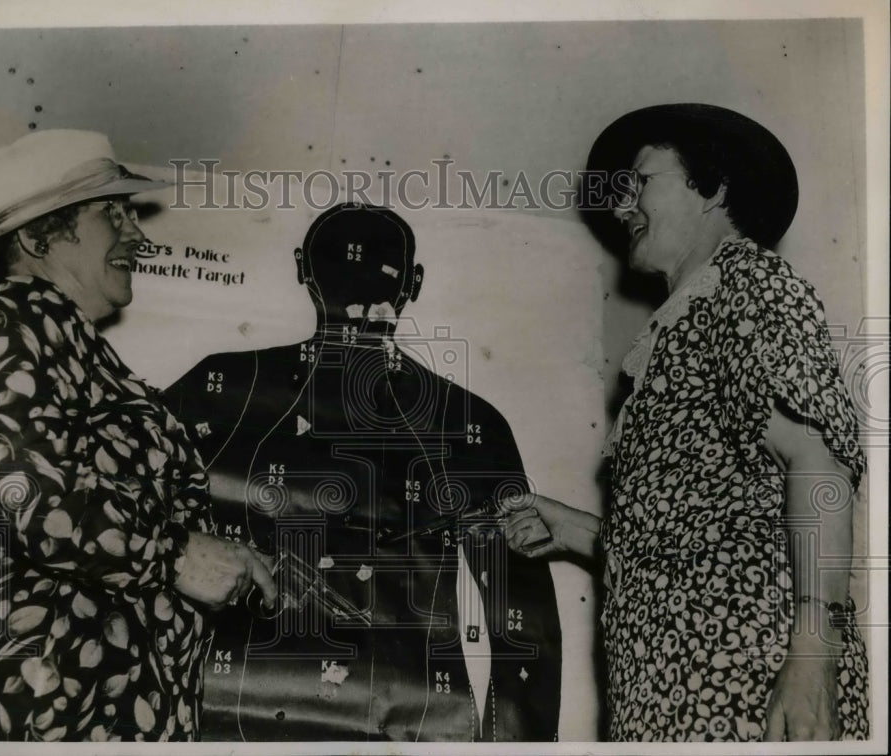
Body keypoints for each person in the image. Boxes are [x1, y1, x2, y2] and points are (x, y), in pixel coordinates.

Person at [505, 104, 869, 742]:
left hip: (747, 680)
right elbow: (690, 537)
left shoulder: (750, 285)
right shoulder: (679, 329)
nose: (622, 208)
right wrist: (579, 530)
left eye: (640, 181)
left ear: (714, 187)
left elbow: (819, 463)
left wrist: (813, 658)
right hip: (668, 689)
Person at [0, 129, 276, 742]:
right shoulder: (11, 314)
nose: (137, 234)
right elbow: (19, 487)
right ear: (36, 237)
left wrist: (214, 552)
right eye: (112, 213)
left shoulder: (64, 345)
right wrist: (176, 553)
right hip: (33, 696)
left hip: (77, 698)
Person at [162, 203, 562, 741]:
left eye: (378, 262)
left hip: (370, 720)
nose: (358, 272)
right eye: (341, 257)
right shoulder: (223, 385)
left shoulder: (228, 385)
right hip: (242, 712)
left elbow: (522, 616)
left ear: (302, 267)